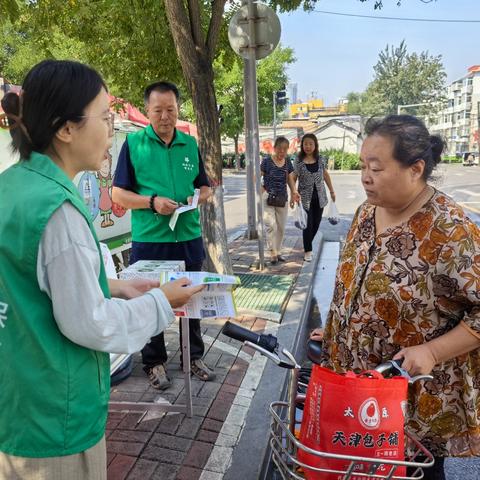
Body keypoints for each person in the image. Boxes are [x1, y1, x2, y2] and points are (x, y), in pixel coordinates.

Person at [0, 60, 204, 480]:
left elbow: (32, 279)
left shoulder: (15, 186)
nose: (111, 130)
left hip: (18, 398)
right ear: (66, 128)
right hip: (55, 418)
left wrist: (112, 286)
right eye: (105, 117)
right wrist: (160, 303)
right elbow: (92, 324)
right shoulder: (59, 211)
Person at [319, 114, 480, 480]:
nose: (364, 176)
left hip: (414, 405)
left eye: (376, 167)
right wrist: (337, 329)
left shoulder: (451, 230)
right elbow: (353, 284)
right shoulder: (364, 213)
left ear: (415, 169)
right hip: (359, 392)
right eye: (362, 165)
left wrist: (432, 351)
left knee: (413, 472)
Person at [112, 81, 214, 390]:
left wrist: (199, 198)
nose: (165, 116)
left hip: (188, 237)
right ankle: (154, 362)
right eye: (158, 110)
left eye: (170, 109)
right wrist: (152, 202)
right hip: (151, 239)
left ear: (178, 109)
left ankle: (193, 356)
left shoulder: (189, 144)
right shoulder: (135, 145)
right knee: (150, 300)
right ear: (148, 111)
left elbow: (204, 185)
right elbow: (118, 193)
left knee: (192, 301)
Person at [291, 133, 336, 262]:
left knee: (316, 224)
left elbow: (325, 175)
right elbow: (293, 178)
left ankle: (307, 244)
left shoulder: (320, 159)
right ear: (302, 145)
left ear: (315, 145)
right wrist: (293, 193)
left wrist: (332, 191)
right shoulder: (298, 161)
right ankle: (308, 251)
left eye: (311, 144)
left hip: (320, 198)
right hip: (304, 198)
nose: (308, 146)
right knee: (307, 225)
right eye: (306, 144)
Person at [260, 136, 300, 264]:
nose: (282, 152)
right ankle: (272, 252)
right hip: (268, 197)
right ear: (275, 148)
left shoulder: (287, 161)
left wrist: (294, 192)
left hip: (282, 197)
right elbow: (257, 176)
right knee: (271, 225)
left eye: (285, 149)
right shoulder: (266, 161)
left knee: (281, 227)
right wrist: (261, 190)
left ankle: (278, 251)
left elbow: (290, 179)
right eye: (280, 149)